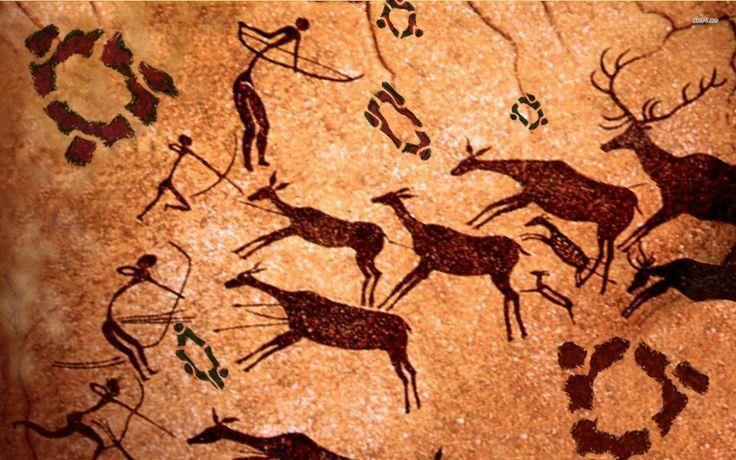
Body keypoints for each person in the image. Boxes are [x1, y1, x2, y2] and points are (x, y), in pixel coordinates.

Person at [234, 18, 310, 170]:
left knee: (263, 126)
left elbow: (294, 52)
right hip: (245, 82)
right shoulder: (288, 31)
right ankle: (248, 161)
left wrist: (295, 66)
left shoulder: (294, 36)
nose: (300, 27)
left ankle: (260, 158)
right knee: (252, 127)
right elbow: (267, 35)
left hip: (249, 81)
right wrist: (246, 27)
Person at [102, 254, 184, 380]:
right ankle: (143, 373)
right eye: (143, 262)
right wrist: (132, 273)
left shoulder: (145, 275)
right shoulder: (135, 274)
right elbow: (120, 271)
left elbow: (159, 284)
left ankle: (147, 369)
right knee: (130, 351)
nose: (144, 265)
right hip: (111, 320)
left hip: (114, 318)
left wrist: (176, 293)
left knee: (136, 346)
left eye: (147, 264)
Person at [137, 134, 241, 221]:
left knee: (183, 206)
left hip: (170, 182)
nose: (185, 144)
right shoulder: (182, 150)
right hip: (168, 181)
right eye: (185, 142)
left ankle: (150, 212)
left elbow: (201, 160)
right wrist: (217, 172)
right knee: (159, 200)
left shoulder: (183, 150)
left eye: (186, 142)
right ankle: (143, 214)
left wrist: (216, 172)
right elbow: (173, 147)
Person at [12, 379, 121, 459]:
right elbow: (92, 396)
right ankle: (22, 422)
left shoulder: (105, 396)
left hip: (78, 420)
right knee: (50, 434)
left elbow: (94, 404)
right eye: (114, 392)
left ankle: (22, 422)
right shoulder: (103, 395)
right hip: (77, 420)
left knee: (100, 442)